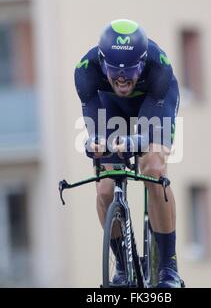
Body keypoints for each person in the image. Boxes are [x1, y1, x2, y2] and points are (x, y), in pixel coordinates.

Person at [74, 19, 182, 288]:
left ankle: (168, 267)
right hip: (110, 107)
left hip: (153, 103)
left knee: (153, 170)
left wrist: (140, 141)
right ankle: (123, 267)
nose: (122, 79)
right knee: (105, 190)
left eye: (130, 72)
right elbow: (93, 121)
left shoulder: (159, 66)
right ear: (102, 62)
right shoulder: (86, 70)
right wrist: (95, 143)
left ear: (143, 64)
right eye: (114, 72)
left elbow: (151, 126)